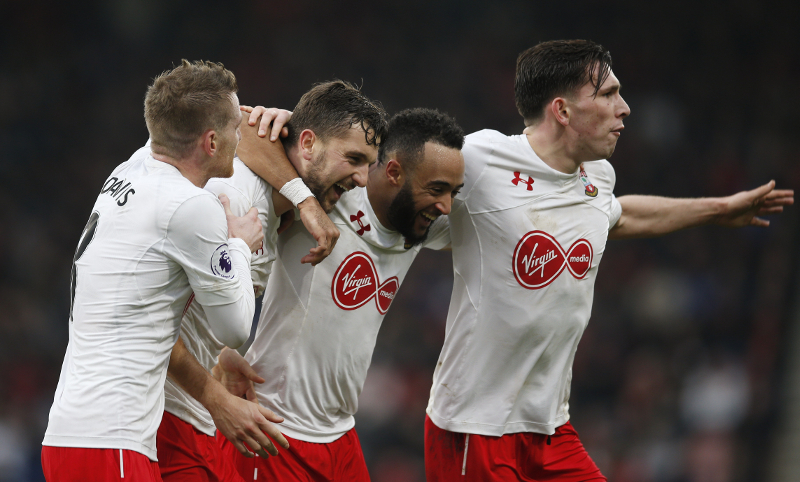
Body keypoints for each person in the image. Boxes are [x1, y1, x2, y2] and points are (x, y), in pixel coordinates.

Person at [423, 40, 794, 481]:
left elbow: (618, 215)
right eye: (608, 94)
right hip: (473, 428)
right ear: (562, 110)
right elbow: (397, 193)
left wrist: (718, 209)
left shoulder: (596, 177)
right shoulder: (481, 159)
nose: (625, 108)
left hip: (549, 429)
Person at [40, 60, 288, 482]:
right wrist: (239, 247)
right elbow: (234, 329)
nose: (241, 137)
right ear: (211, 141)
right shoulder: (192, 206)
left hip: (72, 433)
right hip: (113, 443)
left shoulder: (127, 172)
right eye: (234, 129)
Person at [156, 80, 389, 481]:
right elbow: (152, 325)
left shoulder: (272, 208)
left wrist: (216, 355)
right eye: (353, 158)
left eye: (369, 163)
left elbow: (190, 314)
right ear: (309, 143)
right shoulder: (231, 202)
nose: (364, 179)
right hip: (163, 422)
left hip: (194, 419)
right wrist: (216, 400)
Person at [217, 108, 465, 481]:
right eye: (436, 190)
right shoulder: (333, 193)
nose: (446, 207)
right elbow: (238, 128)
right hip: (273, 426)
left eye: (452, 192)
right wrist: (306, 202)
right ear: (395, 173)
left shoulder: (418, 223)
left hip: (341, 436)